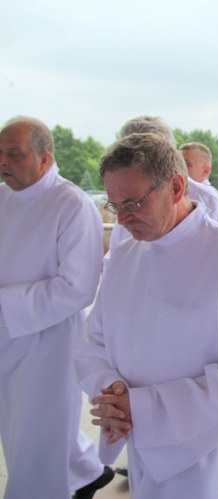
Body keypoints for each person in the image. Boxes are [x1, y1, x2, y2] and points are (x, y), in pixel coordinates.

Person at [75, 132, 218, 498]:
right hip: (138, 436)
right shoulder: (126, 255)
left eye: (132, 203)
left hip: (203, 450)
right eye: (115, 206)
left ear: (176, 187)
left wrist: (143, 407)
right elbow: (93, 340)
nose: (124, 219)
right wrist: (112, 394)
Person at [0, 116, 113, 498]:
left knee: (36, 438)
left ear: (44, 159)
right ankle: (86, 473)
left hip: (48, 342)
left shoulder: (72, 204)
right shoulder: (3, 197)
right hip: (7, 335)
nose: (3, 162)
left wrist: (5, 305)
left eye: (13, 154)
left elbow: (78, 288)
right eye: (0, 153)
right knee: (17, 430)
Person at [106, 117, 218, 260]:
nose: (123, 219)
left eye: (142, 153)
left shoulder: (213, 204)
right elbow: (117, 258)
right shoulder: (124, 209)